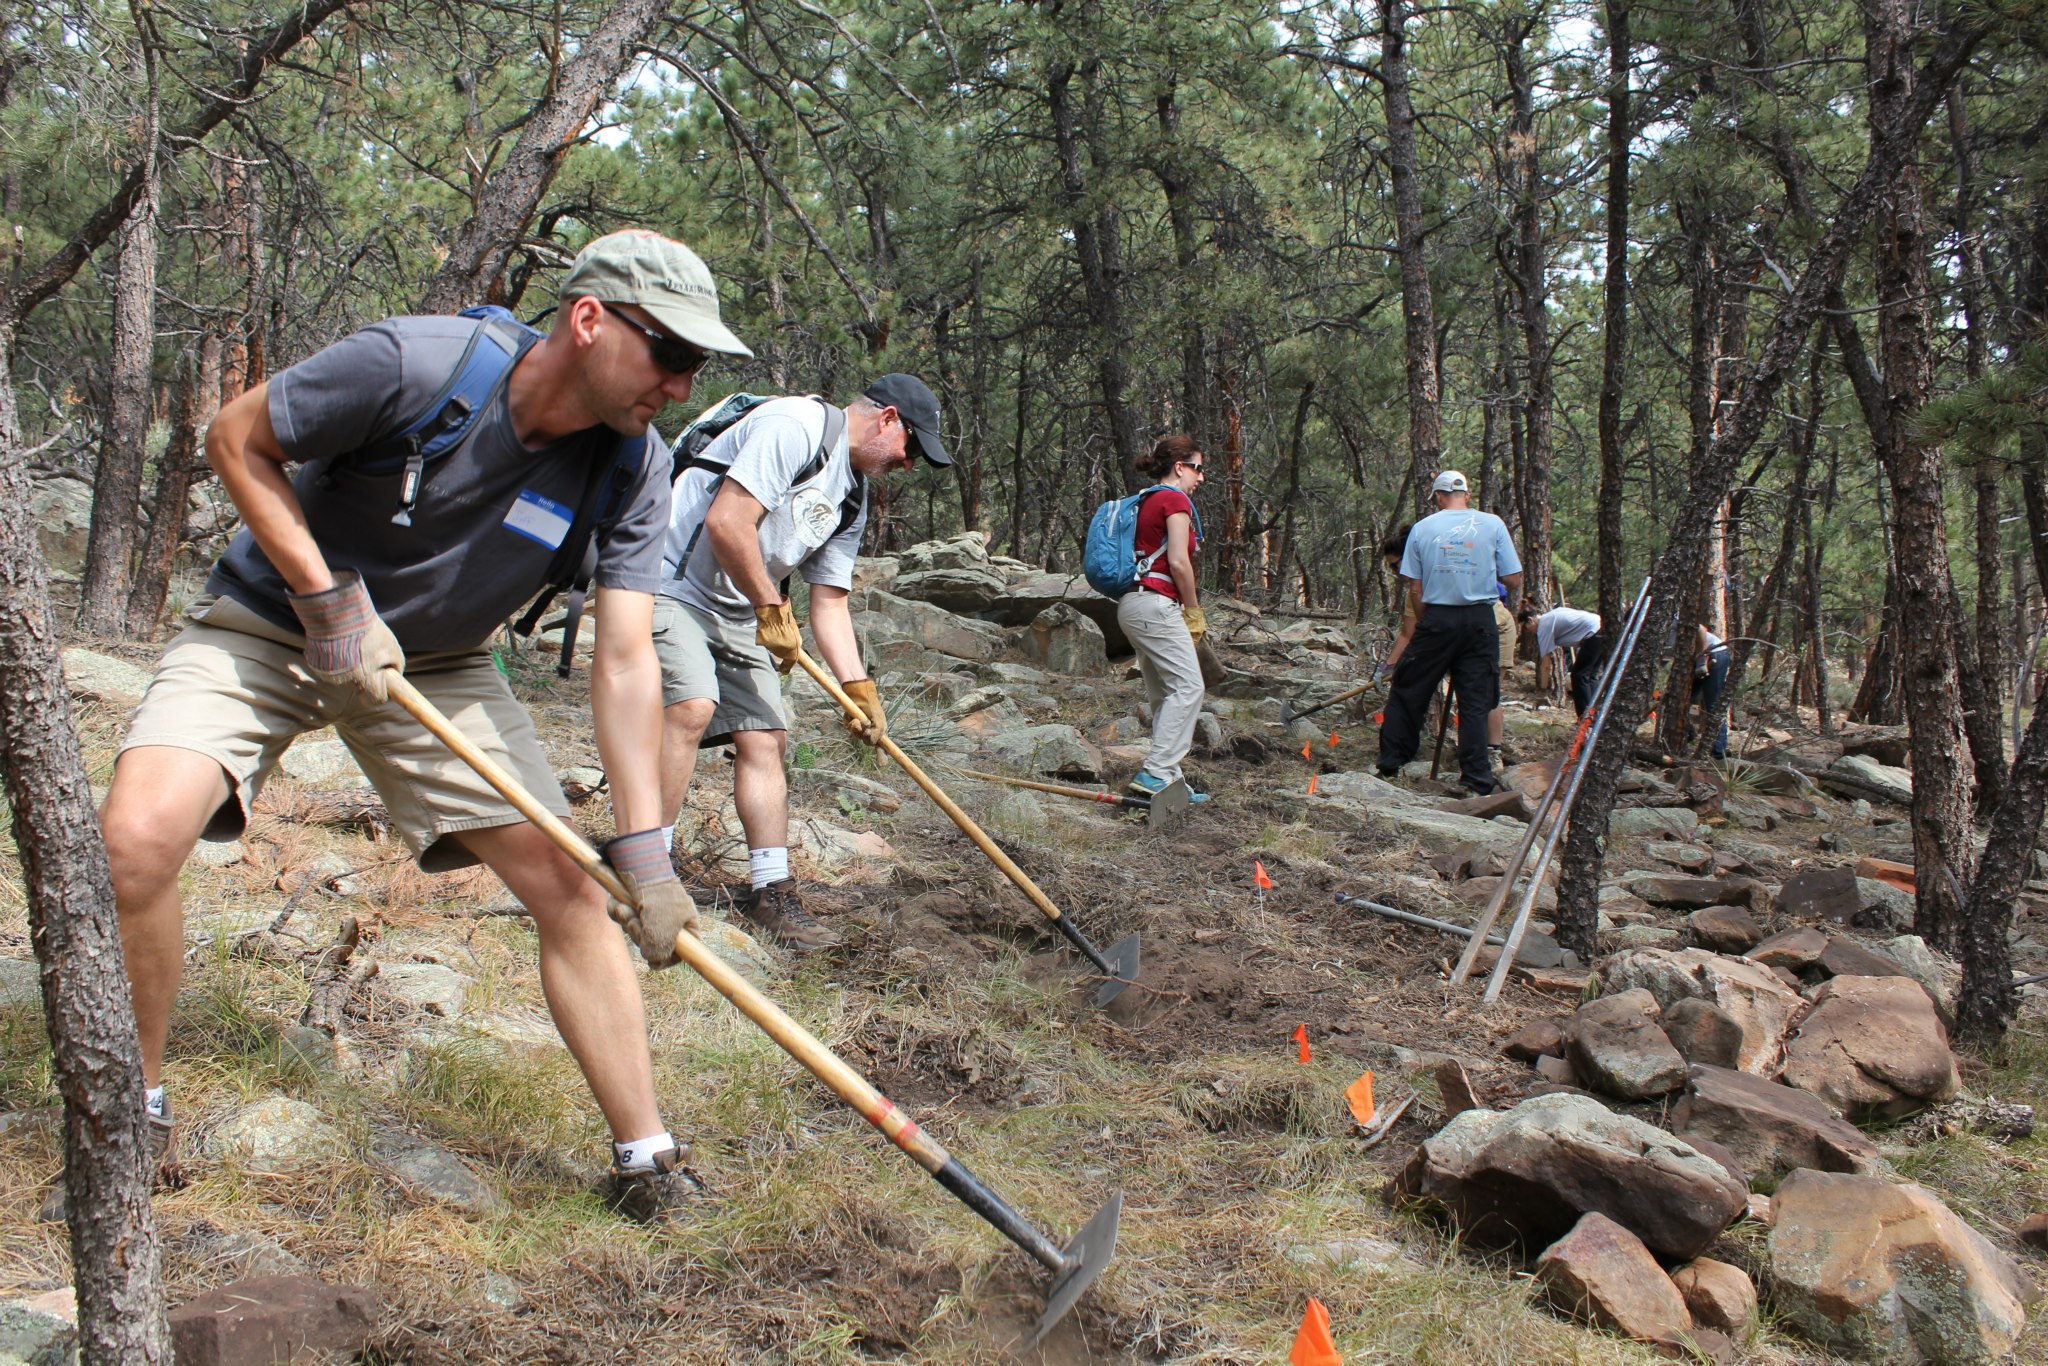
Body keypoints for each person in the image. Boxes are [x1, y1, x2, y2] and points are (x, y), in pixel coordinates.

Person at [95, 230, 748, 1223]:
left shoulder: (631, 470)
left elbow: (622, 660)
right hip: (271, 626)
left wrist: (646, 850)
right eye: (670, 355)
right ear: (587, 321)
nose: (680, 385)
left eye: (696, 365)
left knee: (571, 885)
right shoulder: (413, 364)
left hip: (437, 668)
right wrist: (326, 599)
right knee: (135, 842)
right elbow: (234, 436)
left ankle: (646, 1161)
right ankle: (131, 1120)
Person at [652, 374, 952, 950]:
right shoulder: (795, 427)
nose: (909, 464)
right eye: (912, 448)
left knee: (766, 738)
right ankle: (646, 866)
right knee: (691, 707)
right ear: (889, 419)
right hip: (668, 581)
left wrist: (858, 689)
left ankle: (771, 891)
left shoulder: (853, 496)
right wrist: (769, 607)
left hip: (741, 606)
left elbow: (830, 601)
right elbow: (726, 523)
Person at [1374, 470, 1523, 794]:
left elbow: (1416, 587)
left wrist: (1431, 619)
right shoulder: (1493, 524)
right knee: (1474, 700)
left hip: (1438, 617)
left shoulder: (1424, 529)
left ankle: (1391, 762)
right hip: (1480, 620)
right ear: (1466, 495)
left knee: (1409, 688)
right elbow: (1513, 578)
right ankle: (1476, 777)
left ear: (1438, 497)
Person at [1118, 434, 1209, 799]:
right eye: (1198, 468)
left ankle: (1169, 779)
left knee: (1165, 693)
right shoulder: (1174, 499)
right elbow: (1177, 562)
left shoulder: (1143, 501)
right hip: (1157, 604)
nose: (1201, 477)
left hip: (1133, 605)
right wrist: (1193, 609)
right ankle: (1155, 773)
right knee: (1189, 687)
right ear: (1179, 467)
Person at [1522, 603, 1606, 716]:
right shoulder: (1551, 616)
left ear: (1531, 620)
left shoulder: (1544, 626)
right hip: (1601, 628)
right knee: (1591, 676)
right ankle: (1596, 713)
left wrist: (1543, 690)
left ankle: (1585, 718)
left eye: (1525, 627)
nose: (1527, 631)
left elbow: (1546, 664)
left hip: (1593, 633)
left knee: (1579, 675)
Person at [1691, 624, 1733, 759]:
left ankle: (1718, 750)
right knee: (1685, 699)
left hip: (1715, 654)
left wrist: (1702, 661)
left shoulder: (1670, 618)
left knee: (1713, 703)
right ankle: (1688, 735)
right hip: (1694, 658)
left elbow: (1701, 629)